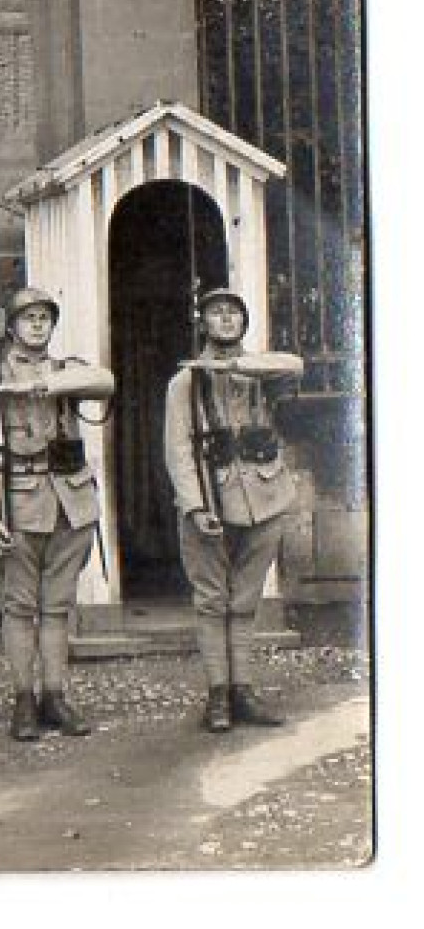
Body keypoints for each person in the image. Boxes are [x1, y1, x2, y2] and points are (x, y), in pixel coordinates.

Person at [0, 288, 115, 742]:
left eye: (45, 317)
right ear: (11, 326)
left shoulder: (69, 372)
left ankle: (55, 694)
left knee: (57, 606)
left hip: (71, 501)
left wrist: (49, 383)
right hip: (20, 503)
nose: (37, 325)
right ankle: (23, 698)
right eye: (27, 318)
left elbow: (105, 382)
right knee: (19, 605)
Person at [164, 287, 303, 732]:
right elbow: (178, 451)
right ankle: (219, 696)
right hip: (212, 498)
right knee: (212, 602)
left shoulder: (262, 370)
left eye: (233, 313)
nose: (225, 320)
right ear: (202, 323)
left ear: (245, 322)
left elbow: (295, 366)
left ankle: (244, 691)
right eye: (215, 313)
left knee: (245, 601)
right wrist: (194, 505)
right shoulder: (185, 382)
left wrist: (241, 365)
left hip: (266, 500)